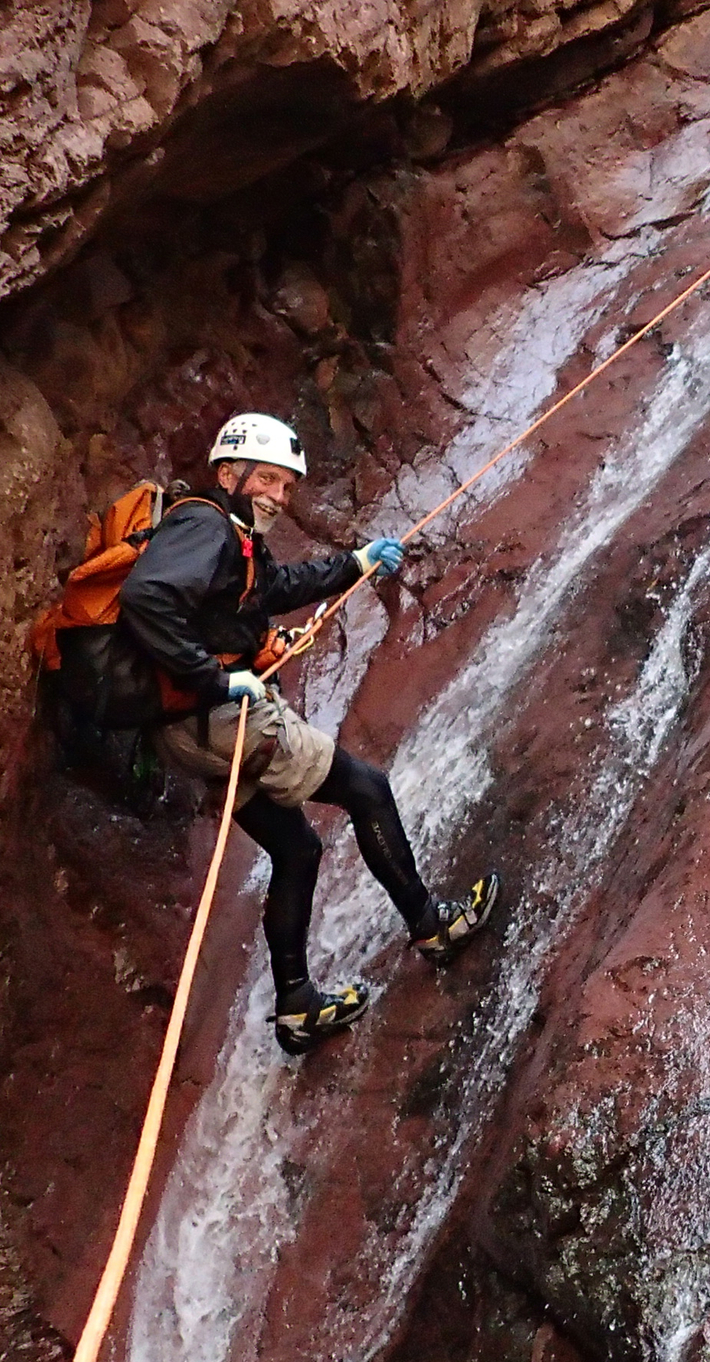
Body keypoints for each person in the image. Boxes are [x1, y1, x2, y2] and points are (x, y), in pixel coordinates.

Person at [118, 411, 498, 1056]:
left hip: (183, 731)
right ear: (226, 473)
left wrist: (354, 564)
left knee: (296, 851)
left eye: (286, 486)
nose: (277, 495)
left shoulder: (229, 536)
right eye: (266, 479)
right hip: (220, 720)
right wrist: (213, 678)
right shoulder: (202, 525)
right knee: (368, 790)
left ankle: (296, 1005)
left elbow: (272, 589)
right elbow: (146, 597)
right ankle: (432, 926)